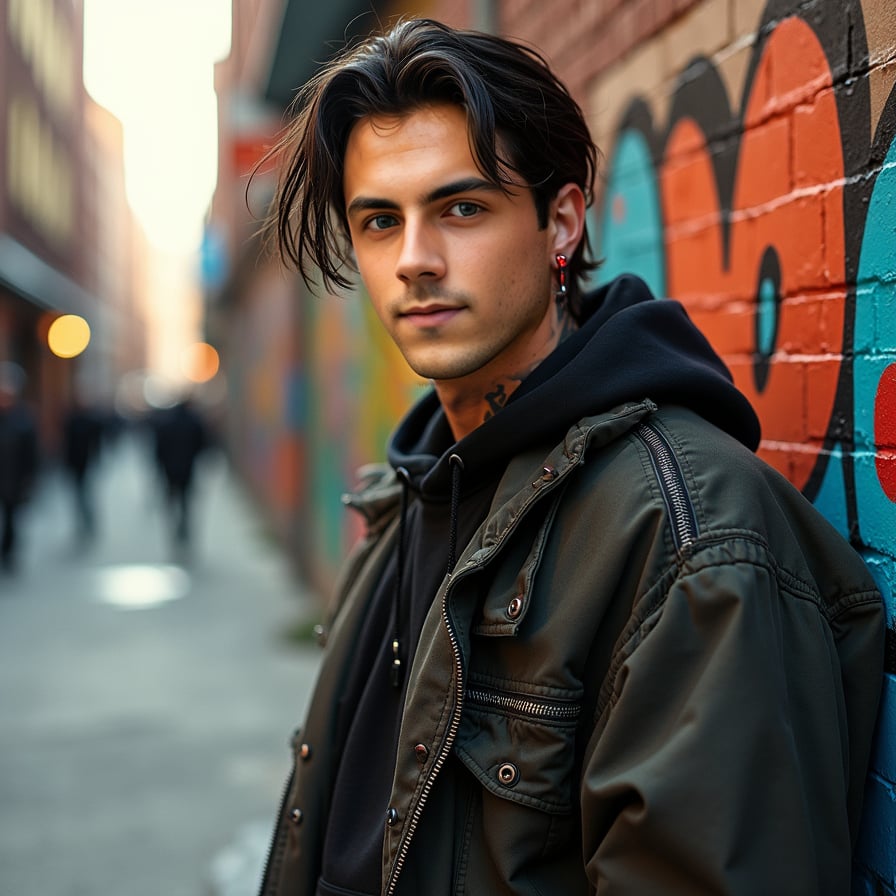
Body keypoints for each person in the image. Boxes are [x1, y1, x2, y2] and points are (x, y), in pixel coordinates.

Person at [256, 18, 885, 896]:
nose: (414, 261)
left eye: (461, 208)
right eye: (378, 222)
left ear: (560, 223)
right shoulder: (414, 499)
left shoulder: (688, 535)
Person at [150, 396, 209, 551]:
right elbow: (202, 444)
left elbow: (159, 448)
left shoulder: (166, 423)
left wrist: (159, 466)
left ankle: (176, 526)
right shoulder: (194, 422)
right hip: (187, 467)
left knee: (171, 499)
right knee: (185, 500)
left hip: (169, 469)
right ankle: (184, 526)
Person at [0, 364, 38, 574]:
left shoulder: (23, 419)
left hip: (14, 479)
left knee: (12, 518)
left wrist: (30, 477)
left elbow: (31, 452)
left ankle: (8, 552)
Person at [61, 396, 104, 544]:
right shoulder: (73, 421)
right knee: (81, 494)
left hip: (83, 463)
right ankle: (85, 522)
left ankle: (87, 522)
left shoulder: (84, 421)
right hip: (77, 463)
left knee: (82, 494)